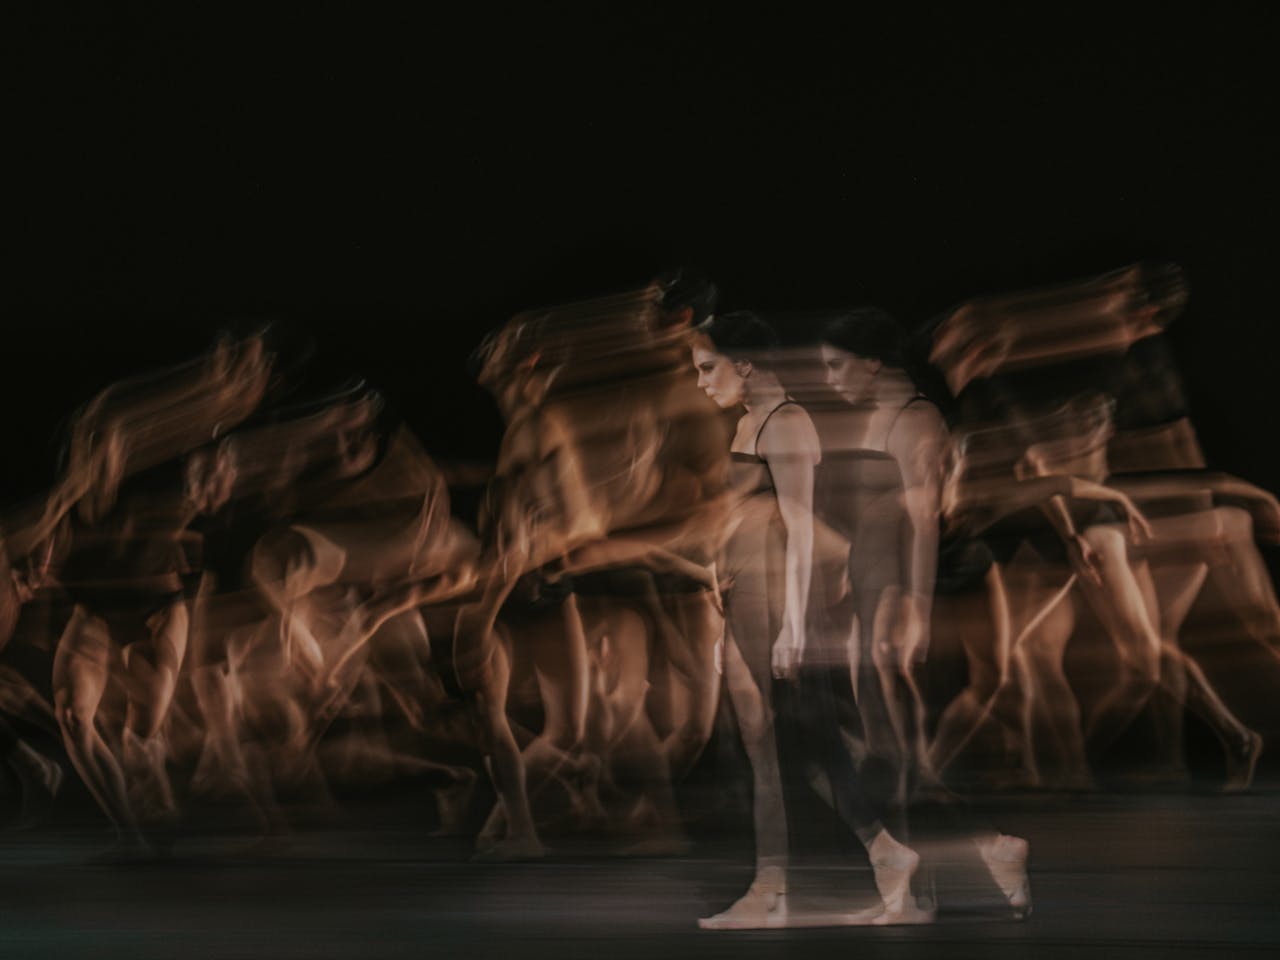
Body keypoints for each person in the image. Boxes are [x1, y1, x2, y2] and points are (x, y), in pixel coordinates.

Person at [693, 311, 926, 929]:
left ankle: (772, 890)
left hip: (772, 599)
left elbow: (799, 528)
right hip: (742, 597)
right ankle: (883, 857)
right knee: (785, 747)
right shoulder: (747, 423)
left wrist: (795, 624)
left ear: (744, 362)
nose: (700, 382)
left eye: (707, 367)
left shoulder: (786, 422)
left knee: (780, 746)